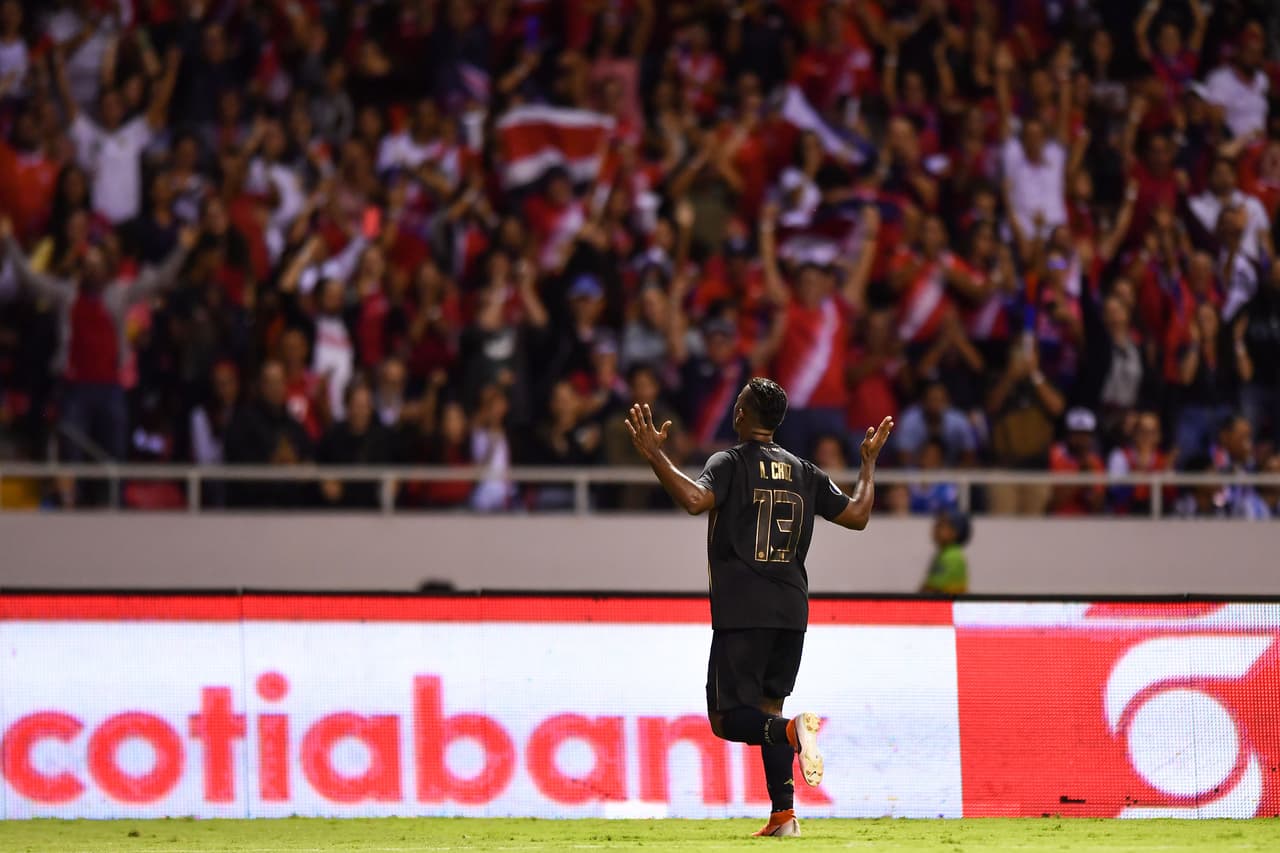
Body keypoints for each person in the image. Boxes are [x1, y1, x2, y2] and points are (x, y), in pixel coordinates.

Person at [625, 377, 893, 838]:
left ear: (742, 416)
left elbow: (694, 499)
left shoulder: (728, 462)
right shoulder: (805, 471)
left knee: (728, 720)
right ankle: (784, 816)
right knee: (768, 709)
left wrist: (654, 454)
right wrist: (867, 464)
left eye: (739, 404)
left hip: (743, 609)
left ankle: (793, 733)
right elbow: (857, 515)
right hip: (792, 611)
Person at [919, 509, 971, 595]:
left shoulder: (952, 557)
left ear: (954, 532)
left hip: (949, 606)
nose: (935, 528)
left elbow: (932, 588)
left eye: (941, 525)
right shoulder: (943, 554)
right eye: (936, 524)